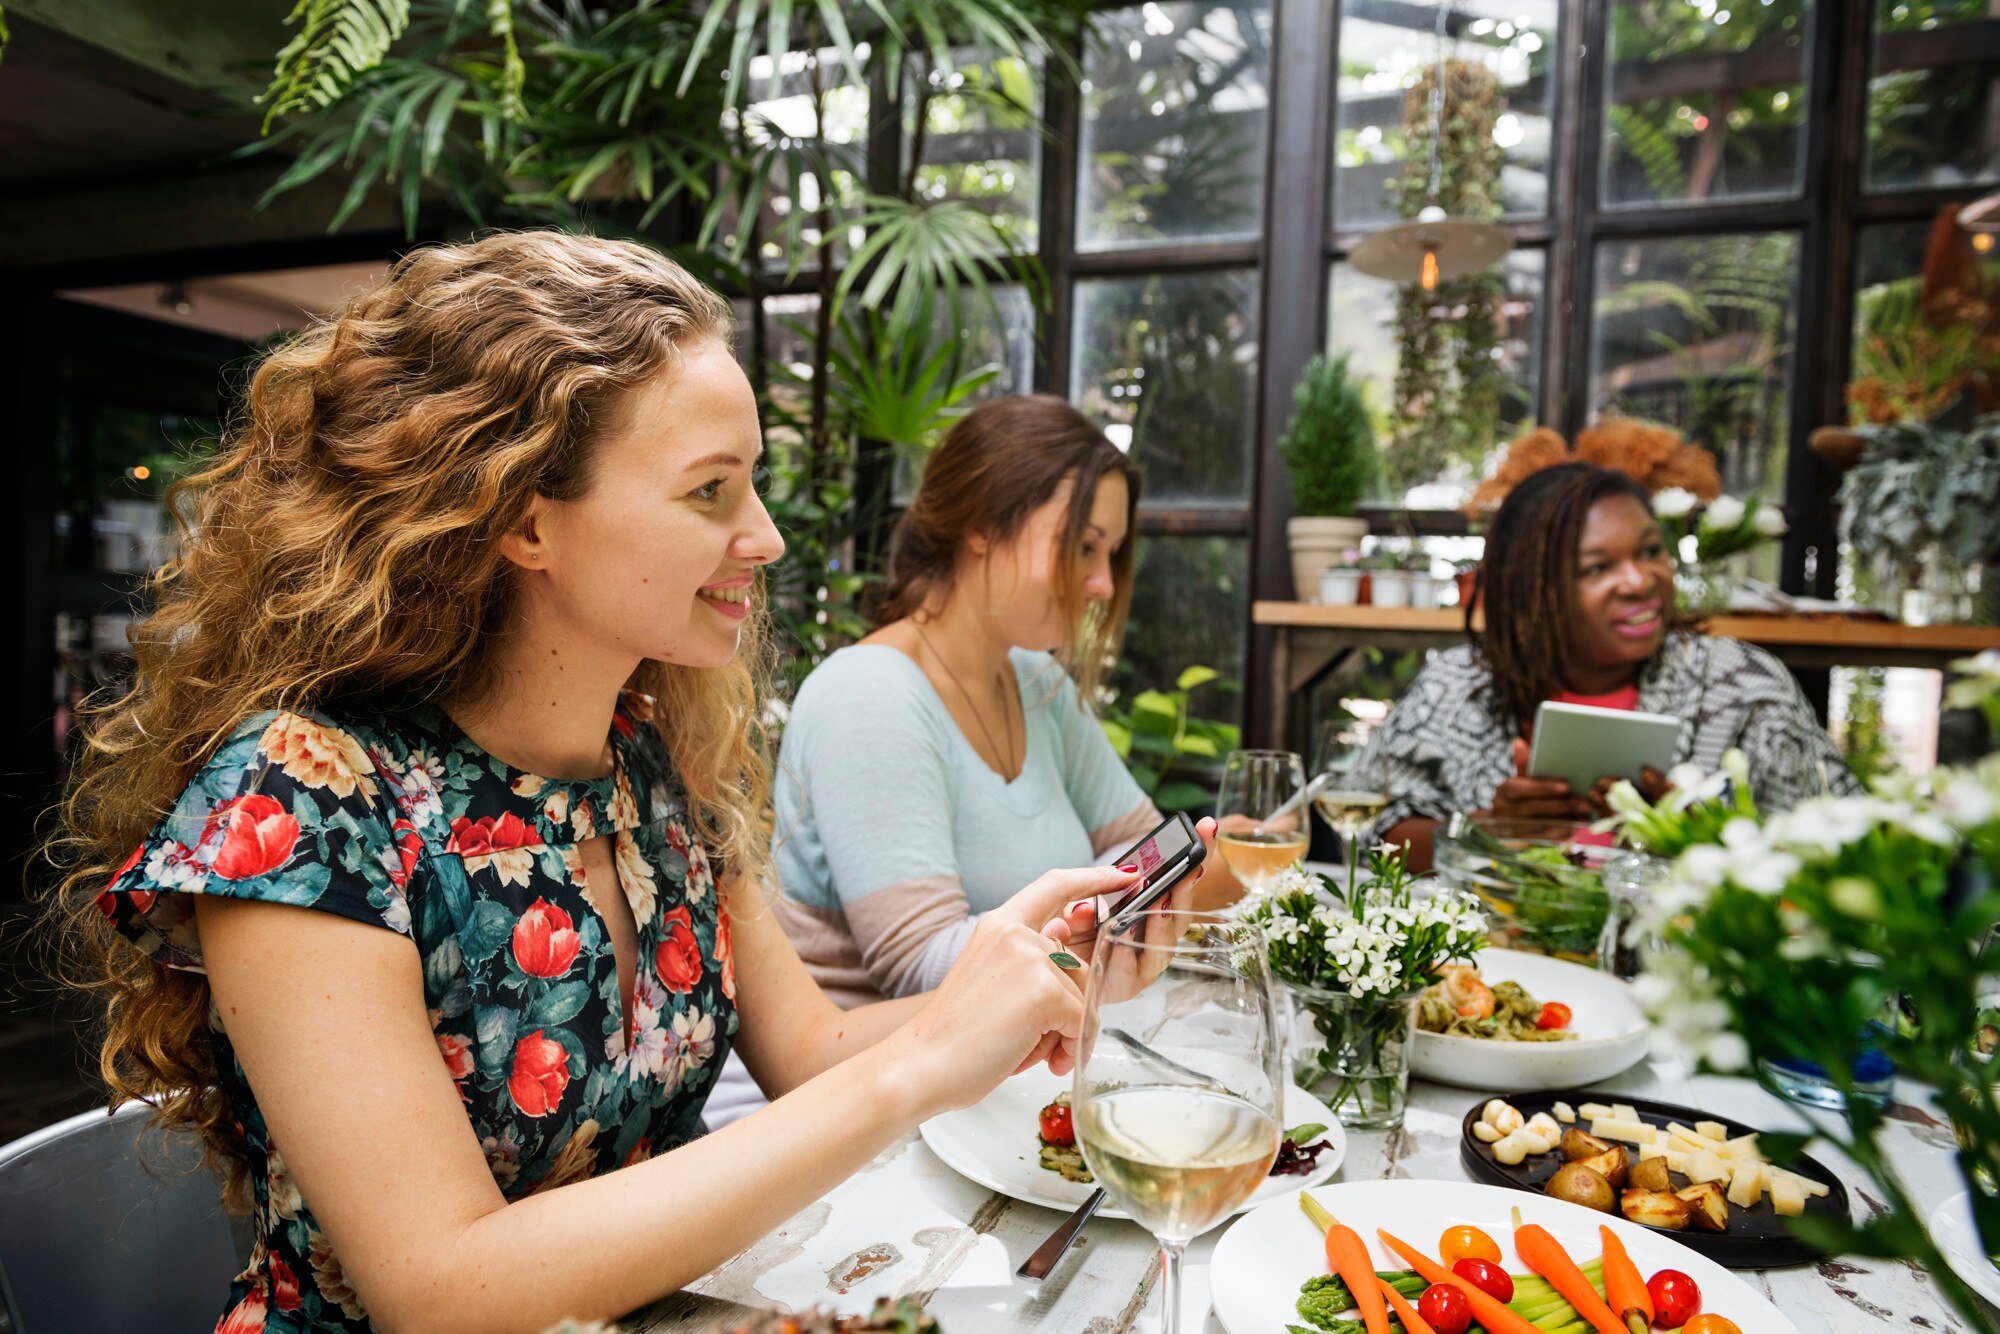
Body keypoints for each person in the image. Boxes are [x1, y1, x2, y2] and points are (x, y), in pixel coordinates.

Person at [46, 233, 1197, 1334]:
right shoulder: (300, 805)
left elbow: (818, 1058)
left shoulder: (648, 762)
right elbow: (442, 1292)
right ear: (524, 518)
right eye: (709, 491)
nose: (764, 537)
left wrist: (998, 982)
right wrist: (914, 1070)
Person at [764, 395, 1239, 1018]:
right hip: (885, 1092)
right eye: (1082, 545)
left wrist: (1158, 881)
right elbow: (922, 969)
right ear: (981, 525)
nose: (1100, 583)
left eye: (1110, 554)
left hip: (1004, 1069)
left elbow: (1143, 854)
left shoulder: (1036, 681)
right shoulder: (868, 695)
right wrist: (1097, 918)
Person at [1360, 462, 1858, 870]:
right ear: (1532, 588)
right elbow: (1370, 837)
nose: (1640, 580)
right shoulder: (1459, 686)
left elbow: (1844, 846)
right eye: (1598, 568)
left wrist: (1695, 841)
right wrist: (1486, 831)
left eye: (1649, 551)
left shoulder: (1743, 686)